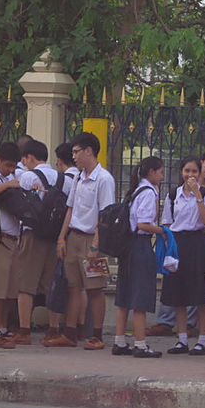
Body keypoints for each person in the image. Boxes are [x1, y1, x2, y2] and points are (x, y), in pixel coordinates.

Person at [48, 132, 116, 349]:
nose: (74, 156)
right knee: (73, 286)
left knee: (95, 289)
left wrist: (96, 245)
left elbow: (105, 215)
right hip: (74, 237)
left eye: (77, 152)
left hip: (92, 239)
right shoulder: (78, 176)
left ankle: (97, 336)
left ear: (89, 151)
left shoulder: (104, 179)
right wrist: (61, 238)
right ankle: (69, 334)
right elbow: (70, 209)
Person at [113, 156, 165, 358]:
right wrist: (162, 231)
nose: (162, 176)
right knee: (139, 296)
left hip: (128, 246)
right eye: (160, 172)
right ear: (151, 172)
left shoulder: (136, 190)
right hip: (140, 246)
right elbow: (144, 224)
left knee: (124, 295)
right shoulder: (148, 192)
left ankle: (119, 341)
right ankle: (141, 344)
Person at [161, 156, 205, 355]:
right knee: (178, 294)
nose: (190, 175)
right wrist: (169, 246)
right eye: (187, 171)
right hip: (178, 243)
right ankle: (182, 339)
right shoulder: (173, 195)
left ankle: (202, 340)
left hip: (198, 243)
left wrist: (198, 194)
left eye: (194, 172)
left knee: (200, 295)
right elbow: (166, 222)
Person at [14, 139, 60, 345]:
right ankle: (54, 328)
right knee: (51, 284)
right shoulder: (62, 177)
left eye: (24, 160)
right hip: (54, 236)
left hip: (32, 235)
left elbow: (21, 207)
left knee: (26, 284)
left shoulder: (28, 177)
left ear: (30, 157)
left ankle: (24, 330)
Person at [40, 142, 80, 346]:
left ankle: (54, 327)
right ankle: (79, 326)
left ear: (59, 161)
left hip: (62, 236)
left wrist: (61, 238)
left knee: (59, 282)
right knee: (80, 286)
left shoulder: (64, 180)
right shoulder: (83, 178)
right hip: (80, 234)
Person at [0, 142, 23, 349]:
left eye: (14, 166)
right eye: (8, 165)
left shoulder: (9, 177)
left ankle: (1, 328)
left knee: (9, 290)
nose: (10, 170)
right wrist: (8, 185)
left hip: (12, 238)